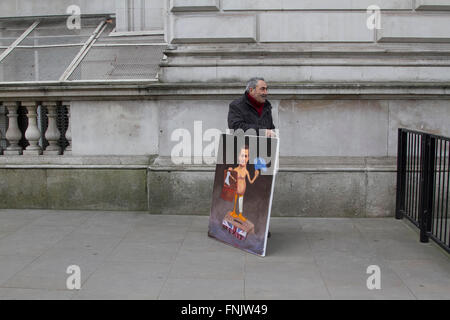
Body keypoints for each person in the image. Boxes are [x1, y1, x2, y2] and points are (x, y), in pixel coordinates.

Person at [227, 77, 276, 237]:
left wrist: (273, 135)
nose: (266, 92)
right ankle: (236, 222)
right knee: (240, 192)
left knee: (260, 189)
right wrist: (262, 131)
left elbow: (270, 127)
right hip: (244, 155)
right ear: (251, 90)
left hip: (261, 156)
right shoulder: (236, 105)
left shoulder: (267, 106)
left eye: (266, 89)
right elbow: (236, 126)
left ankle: (260, 226)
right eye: (262, 89)